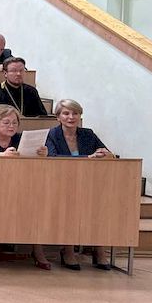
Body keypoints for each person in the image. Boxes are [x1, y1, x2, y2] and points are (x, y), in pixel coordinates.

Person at [0, 105, 50, 269]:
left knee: (36, 203)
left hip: (19, 184)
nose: (11, 126)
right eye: (6, 123)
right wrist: (2, 155)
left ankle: (38, 249)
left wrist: (42, 154)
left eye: (14, 123)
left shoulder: (21, 139)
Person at [45, 98, 114, 270]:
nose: (71, 117)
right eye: (66, 113)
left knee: (100, 206)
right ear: (58, 117)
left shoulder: (88, 134)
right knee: (68, 208)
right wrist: (88, 157)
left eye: (75, 113)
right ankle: (68, 250)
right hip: (61, 182)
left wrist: (105, 154)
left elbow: (107, 153)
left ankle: (99, 249)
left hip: (89, 182)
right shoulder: (52, 134)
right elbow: (52, 157)